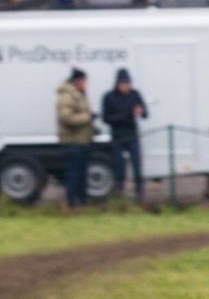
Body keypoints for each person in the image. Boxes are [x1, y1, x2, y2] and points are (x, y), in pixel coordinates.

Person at [100, 68, 148, 203]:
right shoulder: (108, 97)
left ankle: (139, 194)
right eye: (124, 84)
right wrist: (126, 115)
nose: (127, 87)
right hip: (117, 137)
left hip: (132, 136)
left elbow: (145, 114)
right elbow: (106, 118)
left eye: (128, 84)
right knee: (119, 166)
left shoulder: (135, 95)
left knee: (137, 165)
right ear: (117, 84)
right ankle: (119, 194)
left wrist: (141, 111)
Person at [57, 67, 94, 210]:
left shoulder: (79, 95)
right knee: (73, 174)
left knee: (82, 174)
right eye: (85, 81)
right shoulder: (67, 96)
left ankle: (82, 202)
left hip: (82, 140)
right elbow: (66, 117)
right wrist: (88, 117)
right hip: (73, 142)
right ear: (78, 81)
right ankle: (71, 203)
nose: (86, 84)